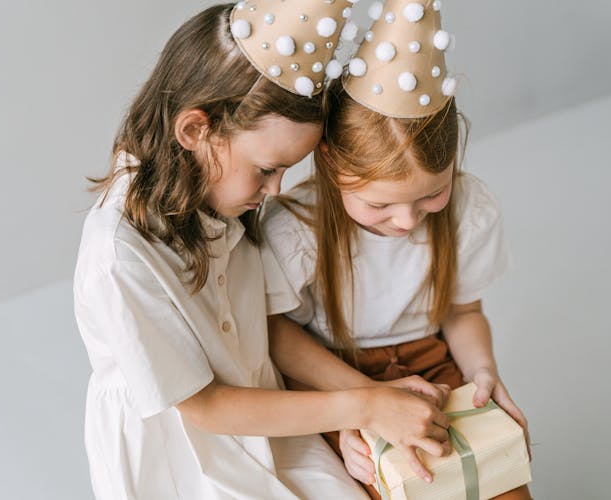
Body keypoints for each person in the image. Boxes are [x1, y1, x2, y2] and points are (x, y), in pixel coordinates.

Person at [74, 3, 451, 499]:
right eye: (267, 168)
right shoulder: (120, 255)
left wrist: (370, 401)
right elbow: (207, 407)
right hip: (185, 452)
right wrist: (364, 406)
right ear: (195, 131)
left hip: (272, 417)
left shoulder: (228, 200)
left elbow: (267, 333)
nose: (275, 190)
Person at [260, 1, 531, 498]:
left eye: (431, 194)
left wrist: (483, 373)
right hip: (333, 377)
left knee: (494, 482)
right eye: (379, 203)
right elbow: (277, 335)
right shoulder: (296, 230)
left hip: (433, 370)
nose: (407, 221)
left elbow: (464, 312)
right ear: (331, 165)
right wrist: (358, 405)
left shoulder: (469, 210)